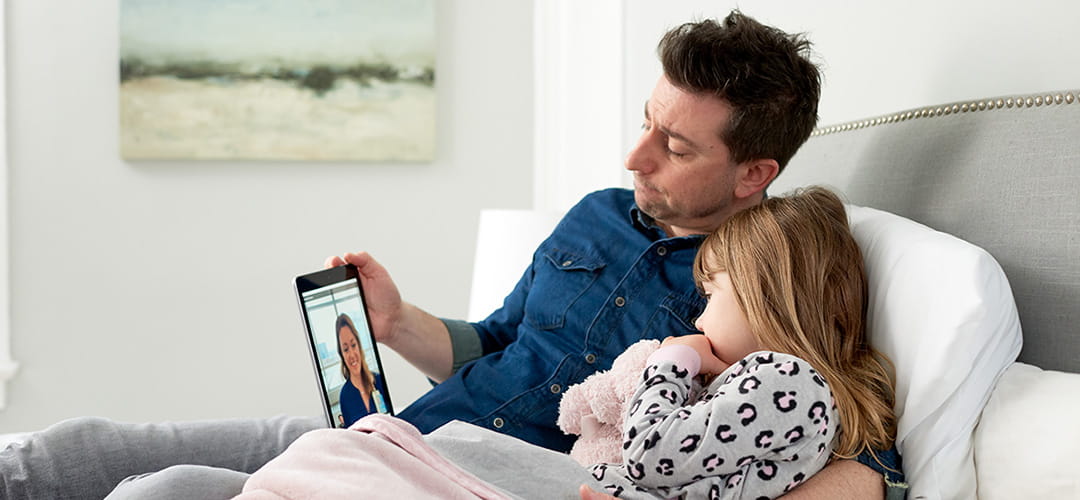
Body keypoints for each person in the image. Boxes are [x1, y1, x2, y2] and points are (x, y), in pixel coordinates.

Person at [0, 11, 903, 500]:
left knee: (168, 490)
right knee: (82, 450)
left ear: (755, 173)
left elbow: (830, 419)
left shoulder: (753, 282)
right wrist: (396, 324)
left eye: (676, 148)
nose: (635, 159)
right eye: (645, 124)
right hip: (396, 428)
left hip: (474, 474)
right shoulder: (596, 215)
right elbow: (497, 340)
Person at [581, 187, 896, 499]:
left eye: (710, 295)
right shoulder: (777, 384)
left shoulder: (789, 381)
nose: (698, 321)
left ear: (764, 299)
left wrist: (669, 362)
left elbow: (648, 455)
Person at [335, 313, 388, 427]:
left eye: (353, 345)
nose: (352, 354)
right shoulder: (345, 396)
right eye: (345, 349)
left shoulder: (379, 381)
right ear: (342, 355)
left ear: (359, 345)